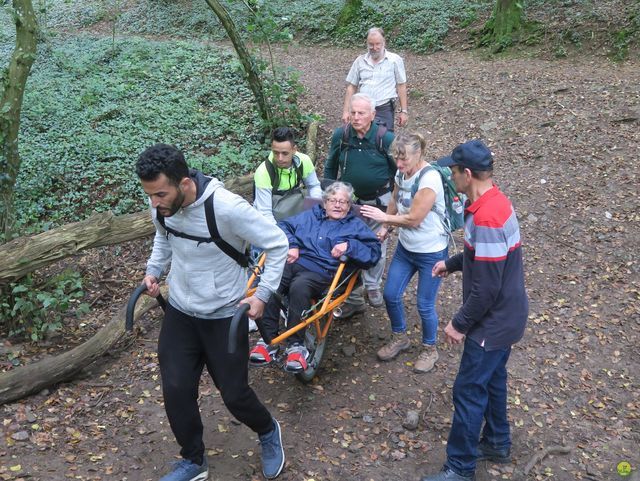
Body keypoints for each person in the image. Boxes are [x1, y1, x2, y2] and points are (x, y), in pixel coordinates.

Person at [135, 144, 289, 481]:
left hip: (224, 316)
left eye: (160, 194)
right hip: (181, 312)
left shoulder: (227, 208)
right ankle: (193, 460)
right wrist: (153, 270)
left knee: (234, 395)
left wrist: (262, 294)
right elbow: (163, 238)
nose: (154, 203)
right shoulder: (162, 206)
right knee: (175, 389)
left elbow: (278, 244)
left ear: (185, 182)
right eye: (149, 195)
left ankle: (267, 430)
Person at [422, 140, 528, 481]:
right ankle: (497, 442)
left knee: (467, 390)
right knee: (492, 380)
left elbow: (486, 289)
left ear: (467, 174)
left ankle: (460, 467)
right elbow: (483, 256)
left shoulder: (488, 217)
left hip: (493, 322)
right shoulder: (490, 201)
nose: (450, 177)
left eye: (453, 171)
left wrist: (459, 323)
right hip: (507, 316)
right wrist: (451, 264)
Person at [249, 181, 381, 372]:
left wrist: (350, 247)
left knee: (299, 287)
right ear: (325, 202)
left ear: (349, 205)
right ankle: (268, 340)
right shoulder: (311, 216)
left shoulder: (356, 226)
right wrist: (292, 244)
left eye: (343, 202)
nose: (337, 205)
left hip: (322, 271)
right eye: (333, 200)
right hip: (295, 262)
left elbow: (374, 253)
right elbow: (284, 225)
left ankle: (296, 346)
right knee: (272, 280)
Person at [360, 132, 448, 373]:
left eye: (404, 160)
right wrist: (386, 227)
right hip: (407, 248)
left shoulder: (430, 179)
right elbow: (394, 199)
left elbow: (414, 219)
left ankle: (430, 348)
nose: (399, 165)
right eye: (396, 159)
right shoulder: (401, 172)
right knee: (391, 294)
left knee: (424, 305)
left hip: (431, 251)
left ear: (418, 154)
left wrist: (383, 218)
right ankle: (400, 337)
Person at [324, 93, 395, 315]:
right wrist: (328, 195)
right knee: (346, 244)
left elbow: (399, 174)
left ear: (373, 115)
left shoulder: (386, 138)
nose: (356, 117)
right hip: (349, 202)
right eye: (353, 112)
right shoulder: (341, 135)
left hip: (378, 201)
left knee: (376, 244)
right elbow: (330, 166)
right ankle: (352, 294)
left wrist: (394, 205)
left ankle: (373, 286)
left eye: (361, 113)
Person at [341, 27, 408, 131]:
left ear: (383, 43)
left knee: (385, 142)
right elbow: (351, 87)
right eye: (371, 44)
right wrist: (346, 111)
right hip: (362, 110)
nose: (374, 47)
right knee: (361, 141)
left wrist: (404, 111)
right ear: (367, 43)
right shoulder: (360, 61)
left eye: (378, 44)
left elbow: (401, 85)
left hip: (384, 109)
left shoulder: (395, 60)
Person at [253, 126, 322, 225]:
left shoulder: (304, 161)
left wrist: (315, 212)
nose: (280, 158)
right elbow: (265, 213)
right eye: (276, 153)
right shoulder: (263, 172)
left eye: (285, 153)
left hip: (293, 209)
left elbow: (314, 186)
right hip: (272, 218)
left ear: (294, 150)